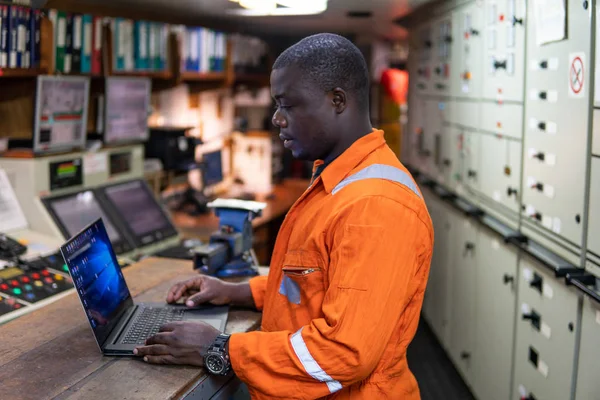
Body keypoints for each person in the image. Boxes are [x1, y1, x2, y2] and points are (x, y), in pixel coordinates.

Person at [134, 33, 434, 399]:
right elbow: (315, 280)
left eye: (288, 105)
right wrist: (239, 292)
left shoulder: (375, 206)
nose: (277, 119)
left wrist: (220, 348)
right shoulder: (338, 179)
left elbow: (343, 353)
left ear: (337, 100)